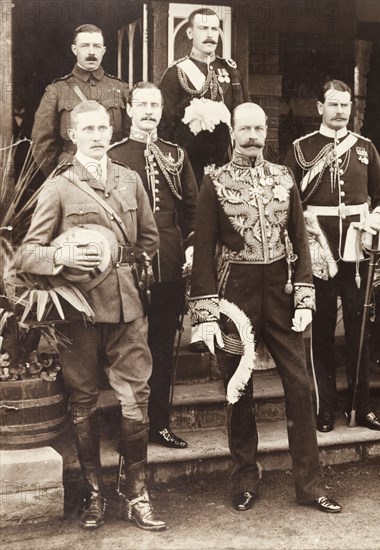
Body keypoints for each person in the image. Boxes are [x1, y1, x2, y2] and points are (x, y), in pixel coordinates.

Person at [20, 101, 166, 531]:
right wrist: (62, 254)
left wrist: (128, 262)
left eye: (104, 127)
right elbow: (28, 251)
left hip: (127, 308)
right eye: (89, 128)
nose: (98, 135)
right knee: (82, 399)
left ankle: (136, 494)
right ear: (73, 133)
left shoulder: (129, 178)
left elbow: (150, 240)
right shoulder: (60, 185)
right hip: (77, 310)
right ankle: (94, 494)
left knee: (135, 398)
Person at [188, 102, 341, 514]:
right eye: (246, 129)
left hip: (281, 290)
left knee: (300, 384)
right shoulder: (214, 181)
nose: (253, 136)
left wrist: (306, 296)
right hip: (234, 294)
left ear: (266, 131)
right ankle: (245, 479)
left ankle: (310, 485)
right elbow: (203, 247)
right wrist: (204, 313)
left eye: (259, 129)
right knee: (239, 386)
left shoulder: (284, 177)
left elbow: (300, 239)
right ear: (233, 132)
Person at [284, 80, 380, 434]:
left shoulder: (364, 147)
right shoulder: (302, 150)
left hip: (357, 253)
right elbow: (287, 201)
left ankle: (362, 408)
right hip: (318, 252)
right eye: (333, 104)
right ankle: (325, 406)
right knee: (322, 334)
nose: (340, 110)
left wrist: (378, 217)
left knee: (361, 329)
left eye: (345, 105)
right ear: (320, 108)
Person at [109, 82, 199, 449]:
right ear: (129, 110)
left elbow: (193, 207)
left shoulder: (176, 155)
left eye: (155, 105)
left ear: (162, 110)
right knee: (127, 345)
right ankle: (129, 430)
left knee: (163, 344)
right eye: (141, 104)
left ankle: (159, 423)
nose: (149, 111)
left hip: (170, 257)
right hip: (128, 261)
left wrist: (190, 247)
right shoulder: (114, 156)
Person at [158, 7, 250, 186]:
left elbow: (246, 113)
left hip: (229, 162)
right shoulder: (176, 73)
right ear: (190, 32)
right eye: (203, 28)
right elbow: (165, 125)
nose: (210, 34)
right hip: (190, 166)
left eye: (214, 29)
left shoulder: (232, 71)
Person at [31, 24, 129, 177]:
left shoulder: (120, 88)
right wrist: (60, 176)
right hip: (71, 174)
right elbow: (42, 142)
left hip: (112, 173)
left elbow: (130, 137)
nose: (91, 52)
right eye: (84, 46)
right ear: (74, 49)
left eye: (96, 46)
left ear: (103, 50)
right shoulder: (57, 90)